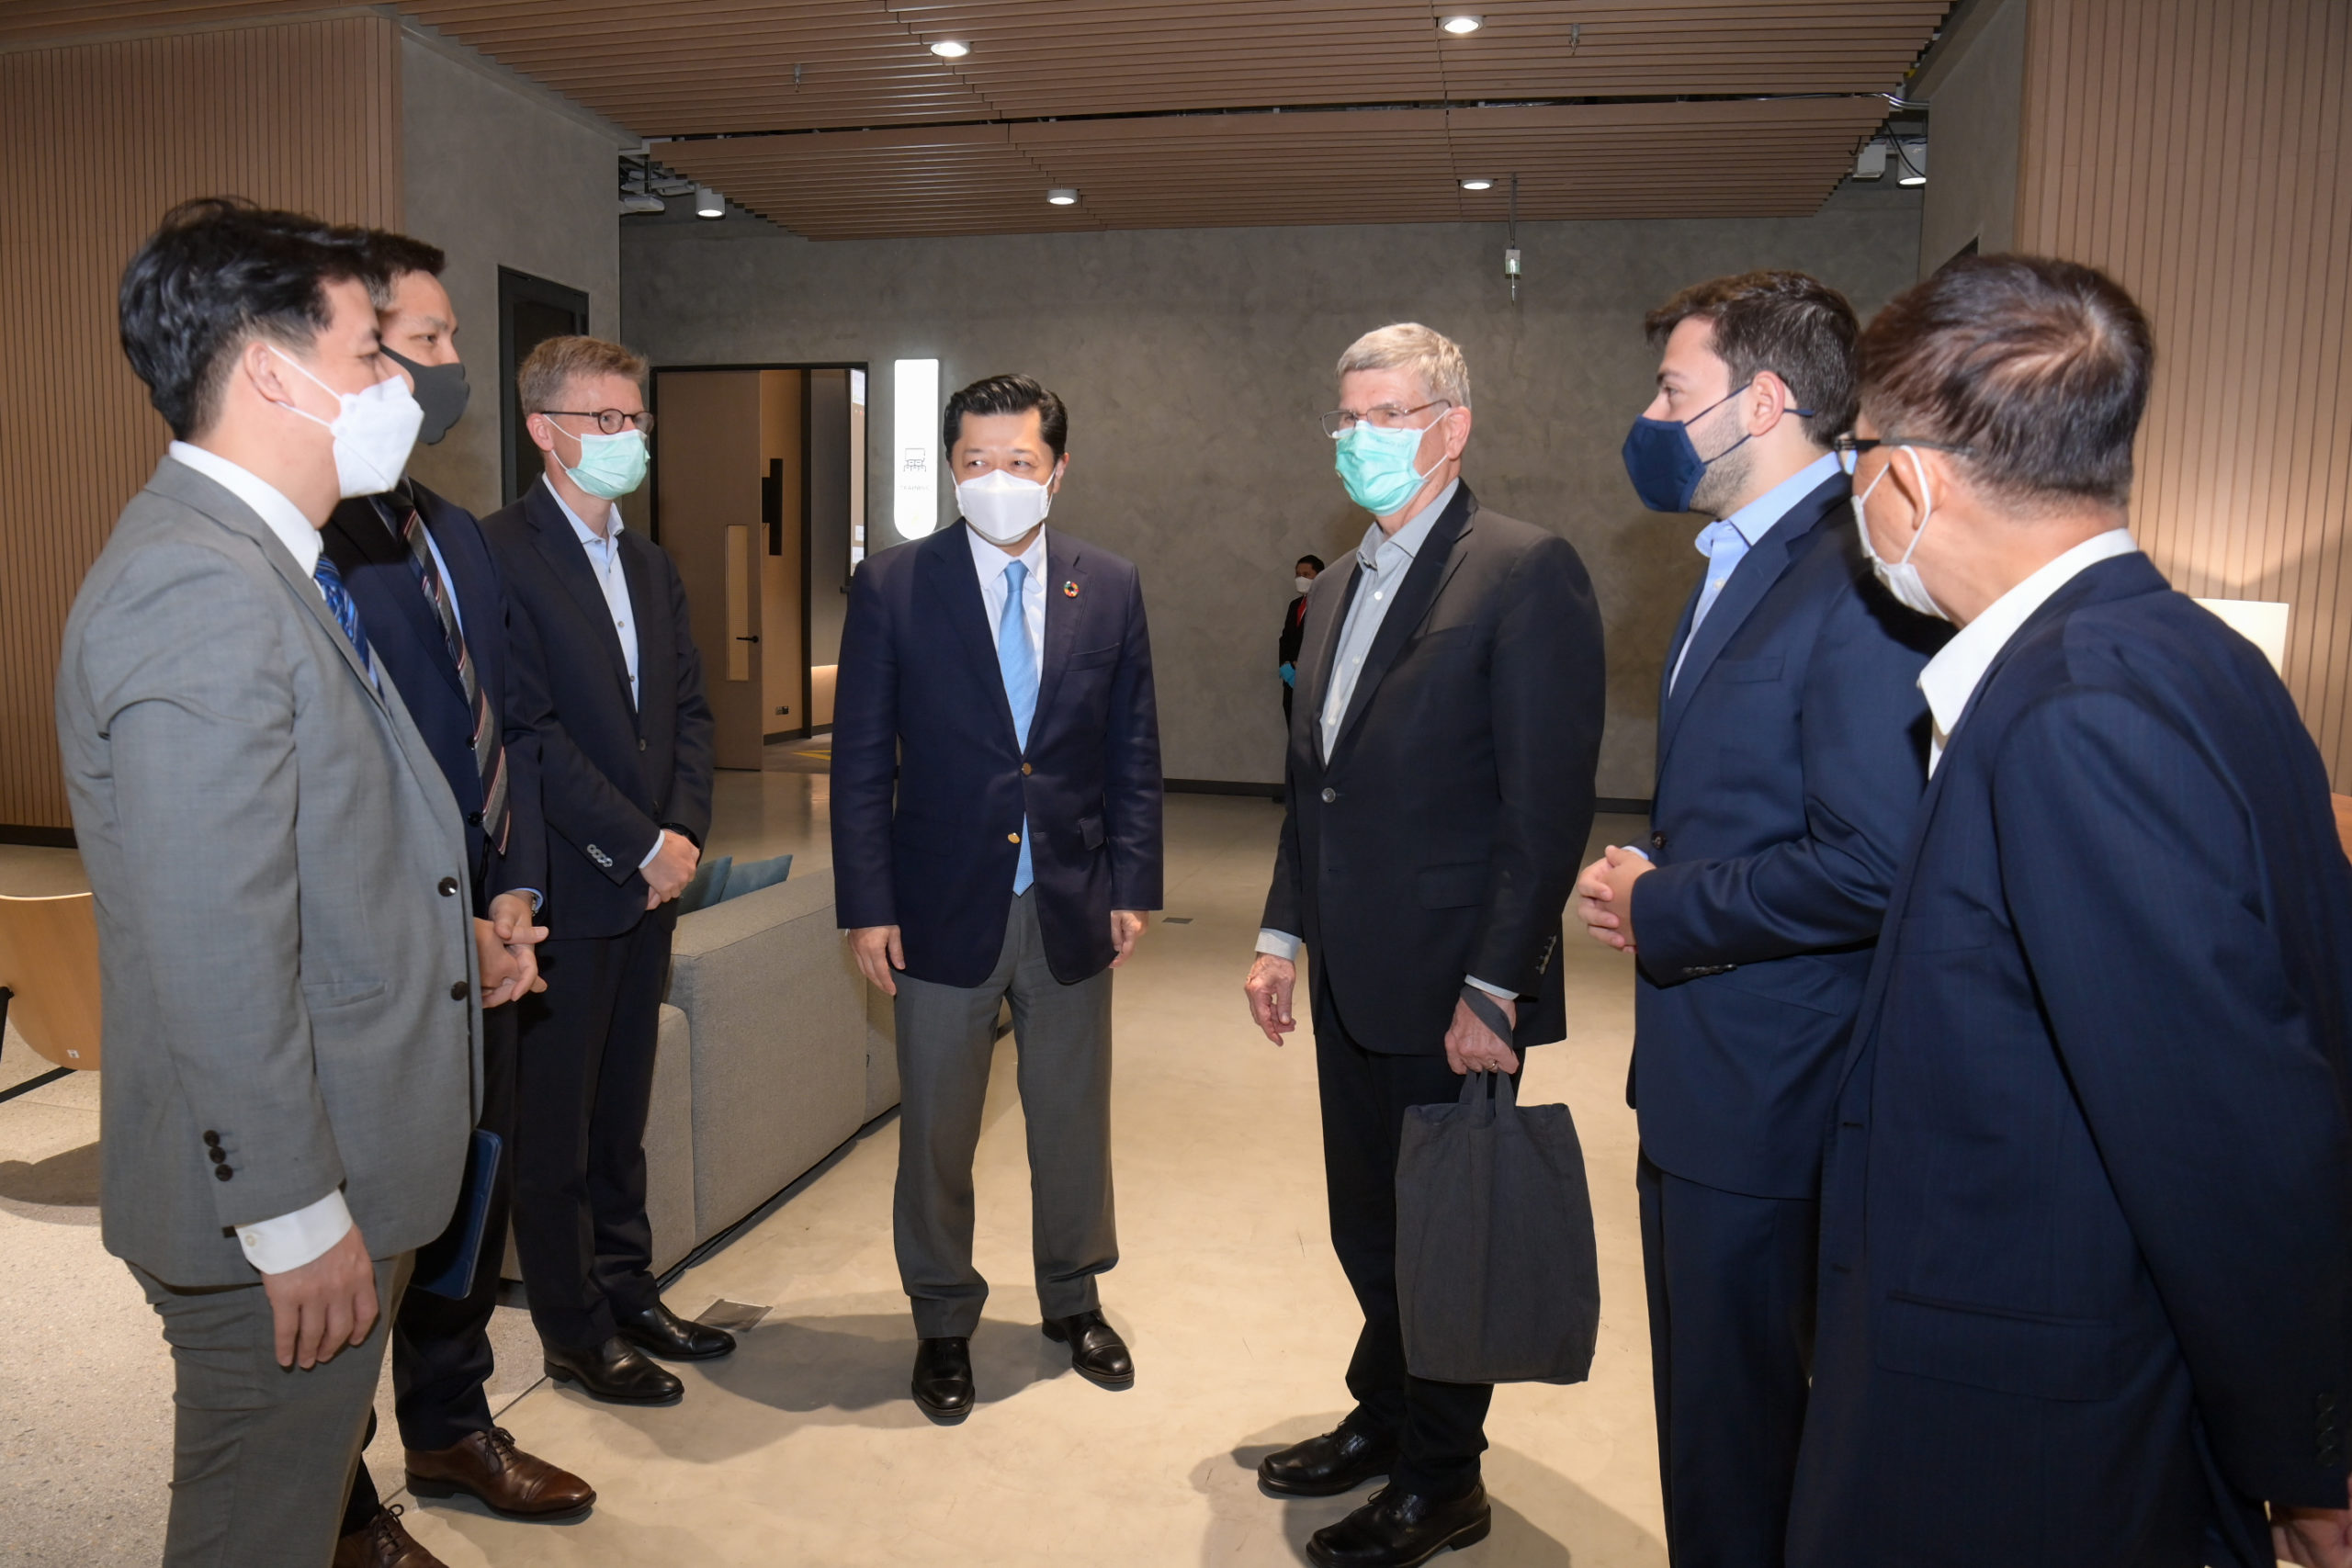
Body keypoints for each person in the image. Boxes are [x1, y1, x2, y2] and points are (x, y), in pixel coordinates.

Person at [1786, 254, 2352, 1567]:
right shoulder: (2195, 652)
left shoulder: (2076, 713)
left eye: (1855, 454)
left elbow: (2229, 1123)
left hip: (2034, 1423)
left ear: (1907, 478)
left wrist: (2309, 1458)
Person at [56, 197, 477, 1566]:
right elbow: (215, 944)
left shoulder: (268, 564)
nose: (397, 385)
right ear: (270, 372)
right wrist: (293, 1218)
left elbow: (308, 853)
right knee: (254, 1531)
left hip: (343, 1153)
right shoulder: (200, 590)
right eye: (368, 354)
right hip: (280, 1209)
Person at [1569, 271, 1945, 1566]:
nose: (1650, 418)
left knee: (1743, 1434)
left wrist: (1667, 901)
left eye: (1672, 389)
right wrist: (1660, 864)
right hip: (1708, 1072)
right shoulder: (1741, 558)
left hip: (1776, 1091)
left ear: (1763, 401)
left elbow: (1876, 859)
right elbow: (1762, 800)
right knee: (1709, 1420)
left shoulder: (1851, 575)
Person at [1243, 323, 1604, 1568]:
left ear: (1452, 426)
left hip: (1456, 976)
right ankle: (1388, 1410)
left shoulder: (1524, 568)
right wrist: (1281, 932)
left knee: (1447, 1233)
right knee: (1370, 1224)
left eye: (1386, 414)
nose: (1359, 438)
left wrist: (1496, 984)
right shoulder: (1339, 583)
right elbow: (1317, 784)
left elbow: (1544, 807)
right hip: (1353, 967)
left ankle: (1444, 1477)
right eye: (1346, 416)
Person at [322, 232, 595, 1568]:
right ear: (350, 349)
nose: (450, 366)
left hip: (491, 938)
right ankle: (333, 1496)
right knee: (365, 1234)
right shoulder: (306, 544)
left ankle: (450, 1425)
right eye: (426, 341)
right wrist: (450, 926)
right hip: (385, 958)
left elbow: (513, 728)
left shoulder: (449, 532)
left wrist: (518, 892)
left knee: (464, 1208)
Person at [832, 373, 1163, 1423]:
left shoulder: (1108, 584)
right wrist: (867, 903)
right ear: (950, 470)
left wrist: (1133, 882)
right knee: (937, 1125)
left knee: (1071, 1117)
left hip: (1069, 896)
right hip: (937, 901)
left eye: (1018, 460)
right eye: (974, 461)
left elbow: (1132, 748)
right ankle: (941, 1317)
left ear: (1057, 471)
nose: (995, 478)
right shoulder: (892, 585)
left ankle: (1074, 1298)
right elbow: (858, 762)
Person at [482, 335, 725, 1406]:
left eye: (636, 419)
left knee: (622, 1113)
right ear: (545, 430)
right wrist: (636, 844)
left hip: (650, 889)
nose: (629, 438)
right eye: (606, 420)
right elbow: (528, 732)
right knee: (557, 1131)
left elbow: (688, 712)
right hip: (567, 887)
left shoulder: (650, 563)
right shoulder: (500, 554)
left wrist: (681, 837)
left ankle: (629, 1289)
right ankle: (574, 1331)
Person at [1279, 553, 1324, 722]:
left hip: (1312, 680)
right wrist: (1285, 666)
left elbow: (1322, 640)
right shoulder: (1295, 605)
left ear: (1319, 576)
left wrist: (1301, 665)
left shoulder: (1326, 604)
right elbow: (1285, 639)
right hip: (1290, 680)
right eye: (1298, 574)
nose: (1300, 578)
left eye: (1306, 575)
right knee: (1292, 722)